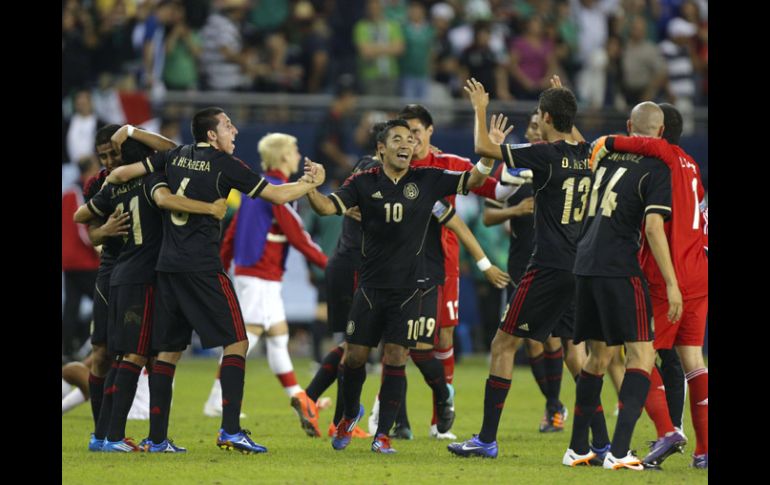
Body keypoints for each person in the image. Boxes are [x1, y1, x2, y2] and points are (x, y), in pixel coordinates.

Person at [104, 107, 326, 454]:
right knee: (237, 342)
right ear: (211, 135)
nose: (235, 130)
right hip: (202, 267)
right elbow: (279, 196)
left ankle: (158, 439)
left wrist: (131, 131)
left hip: (167, 267)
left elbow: (141, 160)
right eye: (227, 125)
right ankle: (231, 430)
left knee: (169, 352)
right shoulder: (225, 165)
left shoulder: (176, 156)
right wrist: (311, 182)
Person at [305, 118, 493, 454]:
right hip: (370, 287)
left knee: (396, 356)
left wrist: (489, 153)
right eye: (397, 139)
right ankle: (349, 414)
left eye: (410, 139)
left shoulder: (429, 180)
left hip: (411, 289)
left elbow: (474, 179)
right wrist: (311, 185)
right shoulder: (363, 183)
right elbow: (325, 207)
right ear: (381, 148)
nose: (406, 144)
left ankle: (383, 435)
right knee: (354, 358)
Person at [448, 78, 593, 459]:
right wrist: (561, 99)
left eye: (540, 117)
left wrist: (480, 106)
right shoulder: (586, 153)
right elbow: (571, 130)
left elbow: (483, 148)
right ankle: (600, 440)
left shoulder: (544, 154)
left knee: (503, 344)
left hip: (547, 265)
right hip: (580, 267)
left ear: (544, 117)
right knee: (575, 355)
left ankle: (486, 439)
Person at [75, 134, 228, 452]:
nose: (107, 161)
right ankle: (111, 436)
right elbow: (163, 196)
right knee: (126, 355)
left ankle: (127, 437)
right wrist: (210, 208)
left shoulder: (115, 186)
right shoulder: (148, 181)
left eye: (112, 154)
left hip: (131, 275)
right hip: (137, 276)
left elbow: (80, 215)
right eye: (102, 155)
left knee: (137, 354)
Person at [562, 102, 683, 471]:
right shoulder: (657, 167)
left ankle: (578, 447)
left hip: (584, 264)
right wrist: (672, 283)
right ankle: (620, 451)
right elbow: (651, 228)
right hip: (619, 268)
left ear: (630, 126)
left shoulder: (604, 158)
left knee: (599, 357)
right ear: (660, 133)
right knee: (642, 356)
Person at [384, 103, 513, 440]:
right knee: (399, 343)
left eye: (416, 132)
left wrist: (495, 153)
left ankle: (438, 421)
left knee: (442, 338)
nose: (410, 139)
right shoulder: (394, 166)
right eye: (404, 133)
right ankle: (394, 419)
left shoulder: (448, 165)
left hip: (443, 266)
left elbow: (493, 188)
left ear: (429, 132)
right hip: (398, 268)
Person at [592, 102, 708, 469]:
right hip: (698, 270)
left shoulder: (666, 155)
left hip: (666, 273)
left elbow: (637, 143)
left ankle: (667, 431)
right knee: (693, 359)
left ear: (659, 132)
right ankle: (704, 451)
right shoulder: (691, 164)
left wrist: (605, 141)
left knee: (638, 353)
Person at [202, 133, 329, 439]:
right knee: (246, 339)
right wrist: (330, 265)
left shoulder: (255, 187)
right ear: (284, 157)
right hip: (259, 273)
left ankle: (301, 398)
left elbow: (232, 231)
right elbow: (297, 235)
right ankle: (216, 401)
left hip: (258, 273)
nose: (298, 154)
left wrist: (222, 261)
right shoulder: (276, 190)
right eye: (295, 150)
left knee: (278, 337)